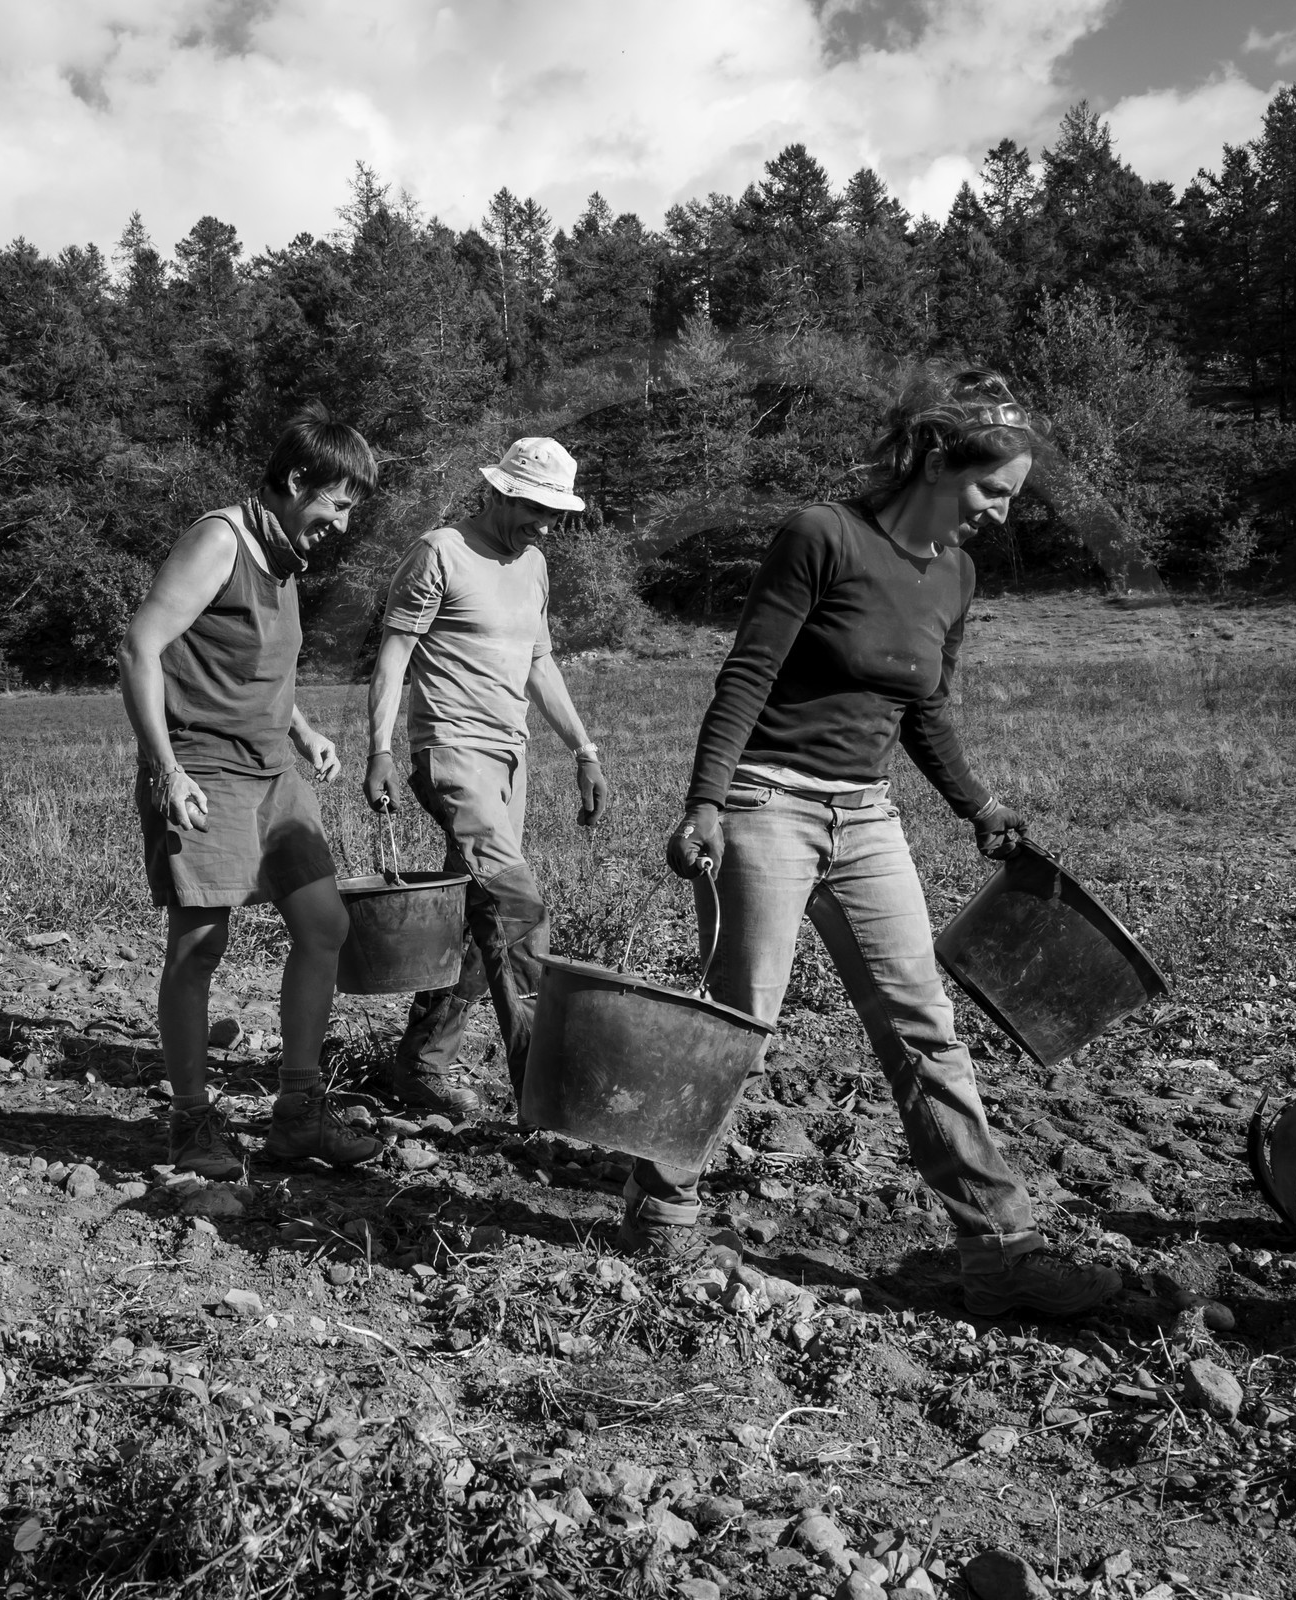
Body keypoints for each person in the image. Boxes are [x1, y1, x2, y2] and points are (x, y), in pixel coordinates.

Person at [640, 369, 1122, 1320]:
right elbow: (748, 674)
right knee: (745, 1014)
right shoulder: (823, 535)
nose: (999, 514)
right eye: (993, 491)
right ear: (941, 462)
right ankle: (663, 1201)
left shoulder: (957, 572)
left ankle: (997, 1245)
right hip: (767, 800)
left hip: (866, 815)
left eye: (1011, 499)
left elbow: (924, 707)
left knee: (921, 1020)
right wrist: (705, 802)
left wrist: (976, 805)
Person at [118, 401, 382, 1179]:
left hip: (275, 773)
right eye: (335, 505)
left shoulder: (284, 555)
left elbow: (253, 662)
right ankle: (191, 1122)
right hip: (204, 768)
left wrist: (302, 730)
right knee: (200, 947)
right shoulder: (219, 540)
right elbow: (140, 647)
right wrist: (166, 769)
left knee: (324, 926)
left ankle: (297, 1115)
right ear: (297, 480)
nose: (339, 525)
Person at [362, 437, 611, 1118]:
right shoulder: (439, 552)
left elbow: (539, 664)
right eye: (535, 508)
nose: (546, 524)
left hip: (510, 756)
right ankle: (547, 1090)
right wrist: (379, 749)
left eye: (555, 512)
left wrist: (583, 749)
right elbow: (393, 657)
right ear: (497, 493)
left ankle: (418, 1066)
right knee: (517, 906)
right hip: (447, 749)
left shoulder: (533, 564)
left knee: (477, 915)